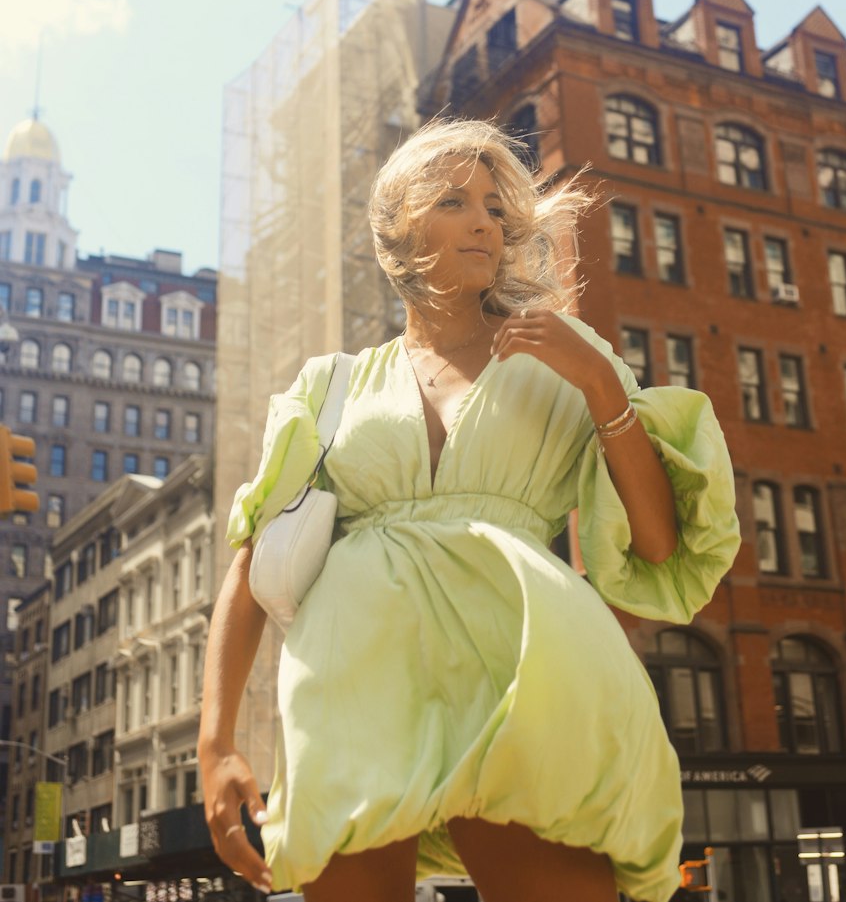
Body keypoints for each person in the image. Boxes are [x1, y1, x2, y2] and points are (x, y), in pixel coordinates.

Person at [198, 119, 741, 902]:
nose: (483, 218)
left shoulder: (567, 352)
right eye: (453, 199)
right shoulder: (333, 382)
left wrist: (601, 384)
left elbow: (657, 543)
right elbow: (251, 562)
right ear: (397, 228)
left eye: (494, 203)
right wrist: (217, 744)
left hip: (525, 679)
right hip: (355, 686)